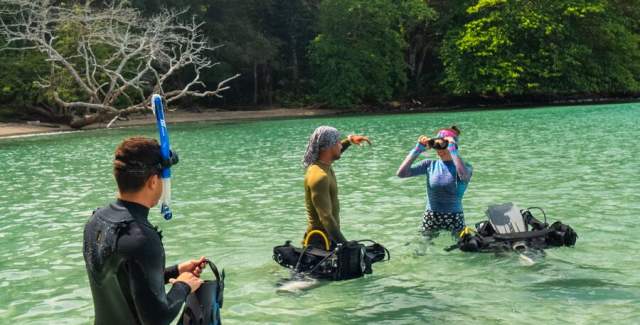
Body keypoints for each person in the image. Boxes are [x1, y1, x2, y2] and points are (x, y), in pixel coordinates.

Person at [83, 137, 206, 325]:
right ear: (153, 181)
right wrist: (183, 286)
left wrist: (176, 271)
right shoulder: (142, 238)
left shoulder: (96, 221)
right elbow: (157, 318)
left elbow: (125, 279)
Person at [396, 126, 473, 238]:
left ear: (452, 145)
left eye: (442, 145)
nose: (438, 150)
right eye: (436, 145)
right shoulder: (429, 165)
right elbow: (401, 173)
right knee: (421, 249)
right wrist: (418, 149)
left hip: (455, 216)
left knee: (462, 249)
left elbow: (464, 176)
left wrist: (452, 149)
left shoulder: (465, 167)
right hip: (431, 215)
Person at [302, 126, 371, 248]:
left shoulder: (323, 165)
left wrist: (349, 141)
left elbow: (336, 151)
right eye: (338, 142)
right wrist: (345, 245)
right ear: (329, 146)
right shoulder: (319, 176)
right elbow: (326, 217)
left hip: (329, 238)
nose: (340, 145)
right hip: (320, 242)